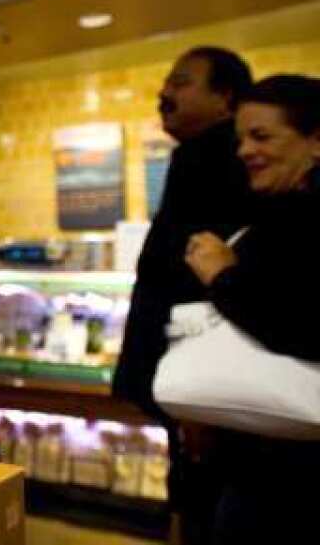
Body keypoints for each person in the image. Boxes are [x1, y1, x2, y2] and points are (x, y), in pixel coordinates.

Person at [112, 46, 254, 545]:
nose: (165, 94)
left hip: (203, 390)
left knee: (204, 503)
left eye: (182, 82)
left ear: (226, 98)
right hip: (189, 388)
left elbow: (206, 284)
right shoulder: (195, 156)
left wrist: (202, 400)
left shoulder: (223, 161)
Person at [184, 74, 320, 543]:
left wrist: (223, 275)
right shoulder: (275, 209)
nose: (244, 151)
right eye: (242, 137)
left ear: (316, 141)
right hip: (256, 461)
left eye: (261, 136)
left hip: (294, 481)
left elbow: (302, 325)